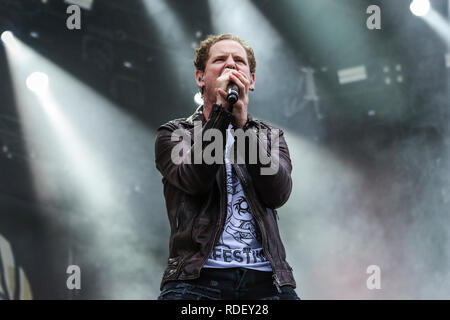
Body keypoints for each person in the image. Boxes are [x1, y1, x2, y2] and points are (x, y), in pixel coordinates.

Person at [155, 34, 299, 300]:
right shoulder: (176, 133)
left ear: (251, 80)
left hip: (267, 283)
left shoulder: (270, 136)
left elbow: (277, 193)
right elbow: (196, 180)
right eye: (220, 59)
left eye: (239, 61)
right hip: (195, 282)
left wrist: (243, 128)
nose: (231, 65)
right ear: (200, 78)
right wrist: (222, 115)